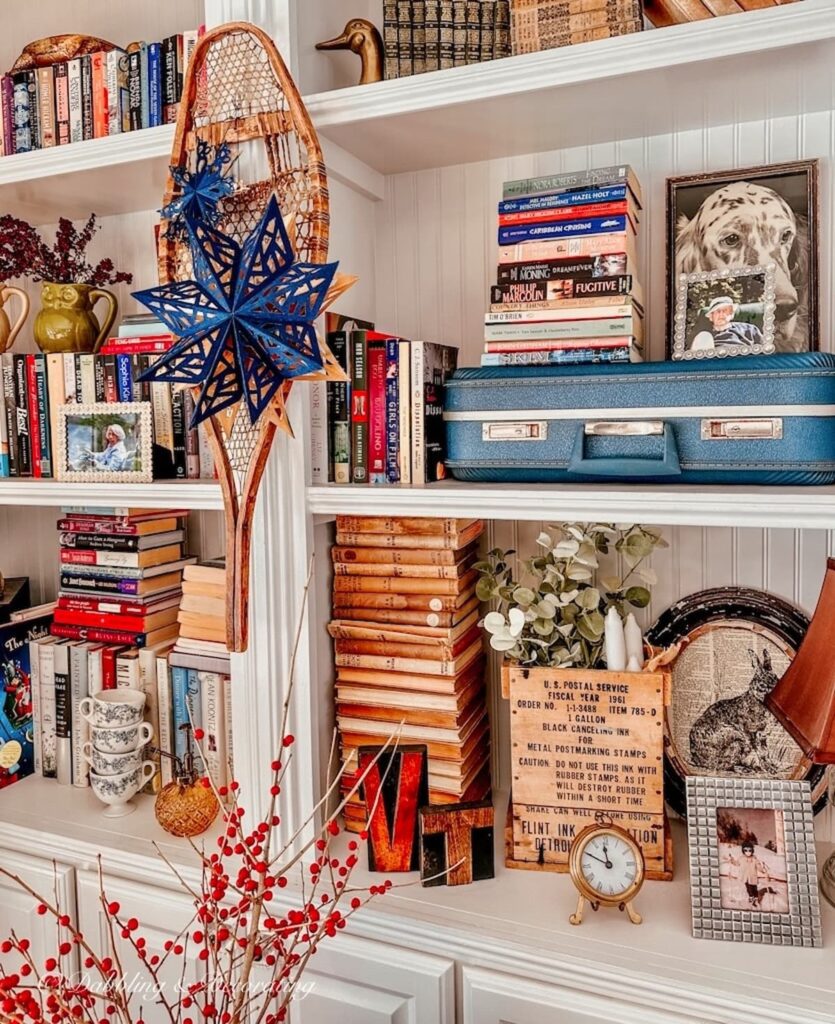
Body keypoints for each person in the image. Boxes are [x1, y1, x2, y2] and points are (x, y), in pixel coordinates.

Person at [690, 296, 764, 352]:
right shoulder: (704, 337)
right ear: (711, 317)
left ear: (732, 314)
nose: (721, 314)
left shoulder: (749, 329)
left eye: (725, 310)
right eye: (718, 311)